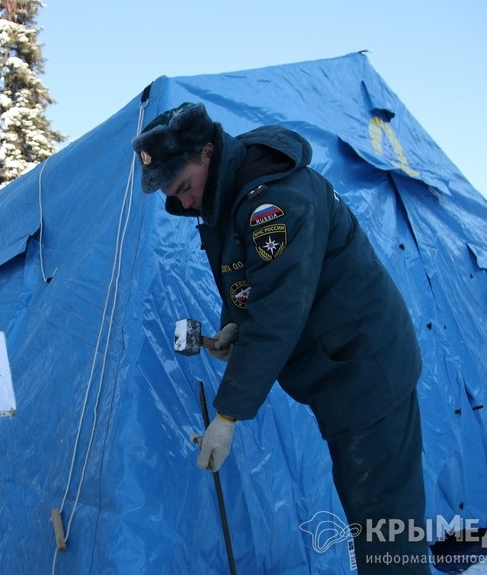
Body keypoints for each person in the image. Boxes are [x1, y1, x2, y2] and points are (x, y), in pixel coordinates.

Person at [131, 102, 430, 573]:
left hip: (366, 370)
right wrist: (234, 323)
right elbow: (250, 282)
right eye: (173, 195)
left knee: (385, 524)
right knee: (367, 517)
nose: (184, 202)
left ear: (207, 150)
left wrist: (227, 414)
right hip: (338, 377)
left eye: (184, 187)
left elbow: (278, 314)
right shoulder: (225, 200)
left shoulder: (274, 201)